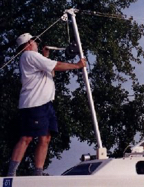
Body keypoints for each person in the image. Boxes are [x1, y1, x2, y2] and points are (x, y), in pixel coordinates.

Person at [7, 33, 86, 176]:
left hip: (45, 103)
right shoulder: (29, 55)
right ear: (29, 43)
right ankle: (11, 173)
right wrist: (77, 65)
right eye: (35, 41)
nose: (37, 43)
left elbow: (51, 72)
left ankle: (38, 172)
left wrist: (45, 57)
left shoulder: (34, 58)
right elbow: (57, 66)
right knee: (27, 137)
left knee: (46, 137)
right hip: (34, 103)